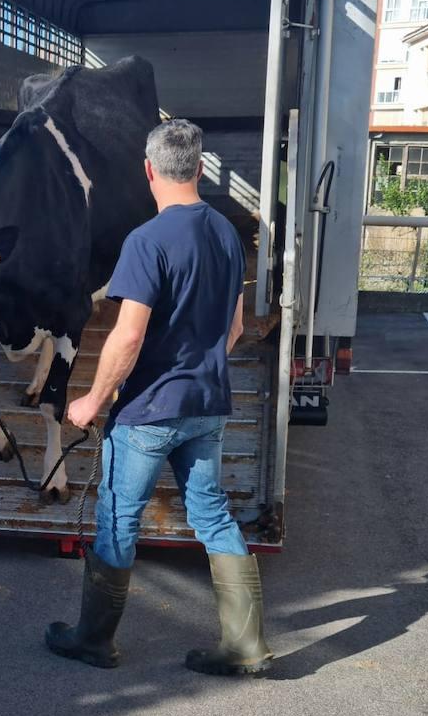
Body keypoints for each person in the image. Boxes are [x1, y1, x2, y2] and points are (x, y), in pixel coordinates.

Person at [45, 118, 273, 678]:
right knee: (213, 515)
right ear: (199, 168)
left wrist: (92, 400)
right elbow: (236, 327)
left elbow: (129, 335)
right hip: (208, 403)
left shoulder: (146, 241)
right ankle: (245, 646)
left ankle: (94, 640)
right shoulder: (225, 233)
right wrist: (199, 364)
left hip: (149, 410)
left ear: (148, 170)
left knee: (119, 518)